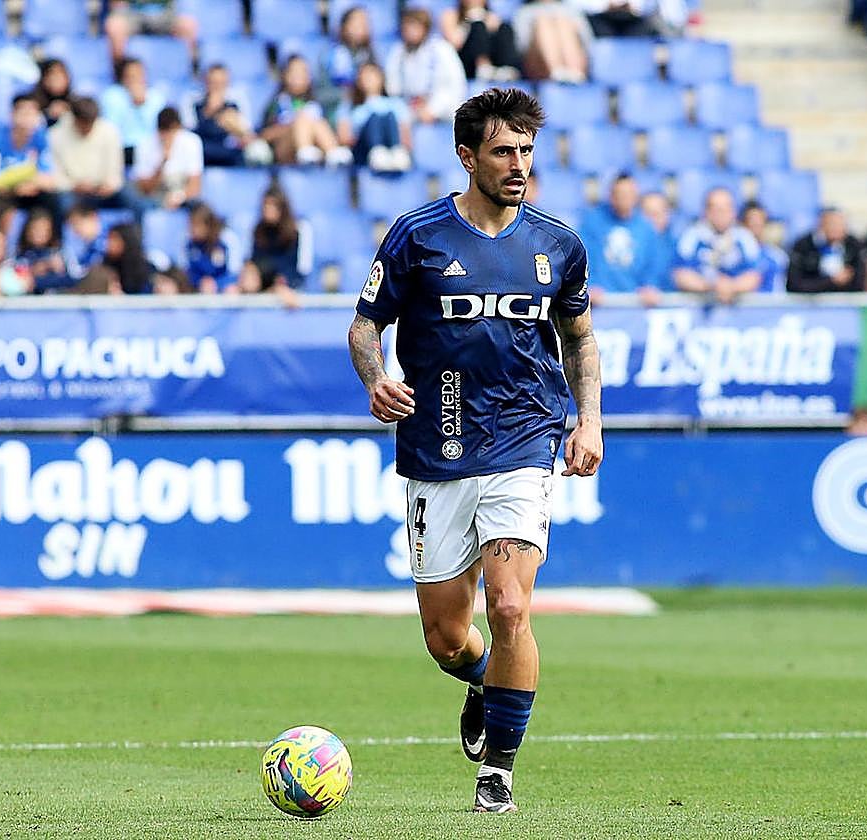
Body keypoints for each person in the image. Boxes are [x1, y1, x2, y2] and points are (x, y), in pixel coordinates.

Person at [346, 87, 602, 815]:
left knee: (511, 605)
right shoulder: (417, 236)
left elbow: (581, 339)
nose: (518, 164)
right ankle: (483, 682)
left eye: (526, 150)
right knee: (446, 638)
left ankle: (500, 774)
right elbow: (365, 327)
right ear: (467, 157)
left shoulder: (559, 245)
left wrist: (588, 422)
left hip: (525, 438)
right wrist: (377, 379)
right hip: (439, 444)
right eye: (502, 151)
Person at [578, 174, 665, 305]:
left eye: (629, 194)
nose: (624, 198)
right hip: (601, 303)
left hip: (635, 304)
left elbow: (652, 264)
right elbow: (583, 257)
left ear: (636, 196)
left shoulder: (646, 228)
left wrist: (650, 285)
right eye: (620, 194)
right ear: (611, 196)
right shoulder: (592, 223)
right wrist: (590, 285)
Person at [672, 187, 762, 304]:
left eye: (726, 209)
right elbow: (681, 275)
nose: (722, 215)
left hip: (738, 312)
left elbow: (754, 276)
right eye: (717, 210)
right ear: (707, 212)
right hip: (699, 311)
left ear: (733, 212)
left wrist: (731, 287)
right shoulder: (692, 236)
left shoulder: (744, 238)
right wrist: (711, 285)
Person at [260, 55, 352, 166]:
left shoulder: (316, 104)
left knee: (317, 121)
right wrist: (293, 125)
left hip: (318, 150)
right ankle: (305, 152)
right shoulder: (277, 103)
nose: (299, 76)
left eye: (303, 72)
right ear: (285, 75)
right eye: (294, 72)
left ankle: (333, 153)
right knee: (302, 119)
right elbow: (264, 135)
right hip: (284, 151)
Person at [49, 96, 135, 215]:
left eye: (90, 124)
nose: (87, 128)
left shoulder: (110, 131)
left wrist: (109, 185)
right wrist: (73, 185)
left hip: (102, 190)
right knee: (63, 202)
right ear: (74, 119)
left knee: (132, 198)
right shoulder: (55, 135)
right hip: (72, 191)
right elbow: (54, 174)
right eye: (83, 124)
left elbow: (115, 171)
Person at [385, 8, 468, 124]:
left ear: (425, 28)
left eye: (415, 27)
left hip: (442, 112)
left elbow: (454, 86)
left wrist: (433, 110)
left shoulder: (442, 49)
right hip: (410, 110)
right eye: (406, 27)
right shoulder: (398, 52)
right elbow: (393, 88)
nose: (410, 31)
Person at [236, 186, 312, 305]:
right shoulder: (257, 231)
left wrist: (282, 284)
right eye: (266, 205)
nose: (268, 209)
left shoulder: (298, 230)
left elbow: (302, 270)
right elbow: (253, 262)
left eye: (273, 205)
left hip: (288, 287)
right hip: (261, 286)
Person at [0, 93, 56, 210]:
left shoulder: (41, 138)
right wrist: (15, 188)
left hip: (30, 191)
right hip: (2, 194)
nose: (28, 120)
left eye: (33, 114)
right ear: (12, 115)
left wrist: (30, 185)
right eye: (24, 114)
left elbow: (49, 179)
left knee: (53, 200)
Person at [188, 63, 270, 167]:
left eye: (221, 82)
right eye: (213, 82)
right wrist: (211, 111)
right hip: (203, 148)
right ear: (205, 82)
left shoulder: (237, 101)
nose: (217, 86)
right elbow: (189, 132)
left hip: (231, 150)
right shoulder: (193, 101)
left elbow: (247, 133)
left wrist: (231, 123)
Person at [336, 62, 412, 171]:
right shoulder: (348, 107)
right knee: (374, 118)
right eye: (365, 76)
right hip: (363, 150)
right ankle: (377, 152)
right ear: (359, 81)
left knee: (389, 116)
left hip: (392, 145)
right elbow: (344, 138)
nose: (369, 80)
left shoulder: (396, 103)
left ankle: (397, 153)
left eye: (373, 75)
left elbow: (406, 135)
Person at [98, 56, 166, 168]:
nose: (136, 79)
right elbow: (111, 129)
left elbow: (158, 129)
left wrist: (141, 105)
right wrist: (132, 102)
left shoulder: (156, 97)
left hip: (150, 151)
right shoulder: (112, 95)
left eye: (140, 74)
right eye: (131, 75)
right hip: (122, 150)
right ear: (123, 77)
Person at [132, 106, 203, 210]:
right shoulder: (144, 145)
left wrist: (179, 197)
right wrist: (162, 163)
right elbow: (145, 190)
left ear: (179, 127)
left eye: (172, 131)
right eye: (164, 131)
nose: (168, 136)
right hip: (155, 198)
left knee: (198, 207)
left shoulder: (192, 142)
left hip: (183, 197)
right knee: (142, 205)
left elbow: (195, 186)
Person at [786, 206, 865, 293]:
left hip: (846, 303)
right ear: (820, 225)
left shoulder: (854, 245)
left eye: (840, 224)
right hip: (810, 303)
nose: (836, 228)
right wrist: (831, 281)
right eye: (832, 224)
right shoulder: (803, 246)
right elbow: (794, 284)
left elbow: (860, 283)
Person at [440, 0, 523, 81]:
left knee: (504, 28)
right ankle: (483, 66)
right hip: (466, 64)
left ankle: (508, 68)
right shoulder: (452, 14)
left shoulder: (491, 16)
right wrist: (469, 21)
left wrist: (493, 26)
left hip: (493, 66)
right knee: (478, 26)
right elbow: (454, 44)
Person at [512, 0, 592, 83]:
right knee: (543, 23)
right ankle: (556, 72)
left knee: (562, 23)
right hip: (536, 63)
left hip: (578, 62)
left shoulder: (571, 10)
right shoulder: (525, 12)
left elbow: (587, 42)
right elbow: (522, 46)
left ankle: (574, 72)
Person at [318, 5, 376, 115]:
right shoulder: (329, 55)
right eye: (356, 22)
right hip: (337, 112)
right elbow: (321, 94)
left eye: (365, 22)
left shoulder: (371, 55)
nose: (362, 26)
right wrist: (345, 95)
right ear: (344, 27)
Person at [102, 0, 198, 64]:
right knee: (115, 26)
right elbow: (117, 5)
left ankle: (191, 74)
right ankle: (120, 74)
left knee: (188, 25)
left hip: (163, 15)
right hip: (133, 15)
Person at [186, 203, 243, 293]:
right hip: (197, 287)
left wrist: (216, 283)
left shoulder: (227, 238)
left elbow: (235, 272)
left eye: (197, 225)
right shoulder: (188, 242)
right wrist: (200, 281)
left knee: (232, 290)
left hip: (222, 286)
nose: (192, 229)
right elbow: (186, 271)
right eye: (191, 225)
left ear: (208, 225)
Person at [16, 208, 71, 292]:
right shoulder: (21, 255)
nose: (40, 233)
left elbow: (70, 280)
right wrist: (34, 271)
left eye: (45, 229)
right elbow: (20, 282)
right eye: (36, 229)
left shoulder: (57, 253)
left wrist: (57, 269)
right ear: (27, 230)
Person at [739, 201, 788, 293]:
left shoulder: (776, 257)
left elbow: (777, 292)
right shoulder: (733, 255)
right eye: (752, 223)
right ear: (743, 224)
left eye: (759, 223)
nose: (756, 228)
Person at [63, 199, 110, 284]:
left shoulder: (112, 239)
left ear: (93, 217)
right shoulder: (87, 250)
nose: (76, 230)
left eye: (77, 223)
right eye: (72, 226)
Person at [32, 58, 73, 127]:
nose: (57, 78)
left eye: (61, 73)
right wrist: (48, 114)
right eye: (52, 74)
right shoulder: (32, 103)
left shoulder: (75, 101)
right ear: (43, 78)